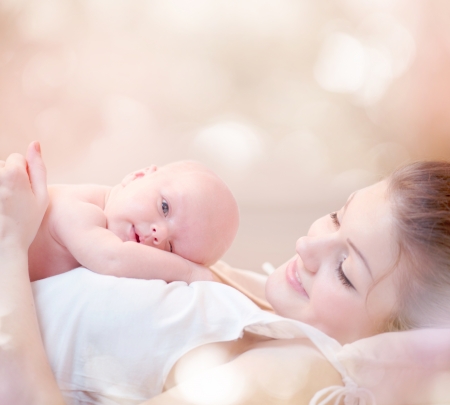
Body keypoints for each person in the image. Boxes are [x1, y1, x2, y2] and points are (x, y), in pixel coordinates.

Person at [2, 142, 450, 405]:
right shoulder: (256, 295)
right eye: (336, 217)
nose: (305, 246)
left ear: (398, 334)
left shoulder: (279, 375)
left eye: (347, 272)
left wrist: (10, 242)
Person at [28, 149, 239, 283]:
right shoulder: (80, 209)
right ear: (137, 176)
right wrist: (190, 273)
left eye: (171, 249)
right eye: (164, 207)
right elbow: (112, 258)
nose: (159, 234)